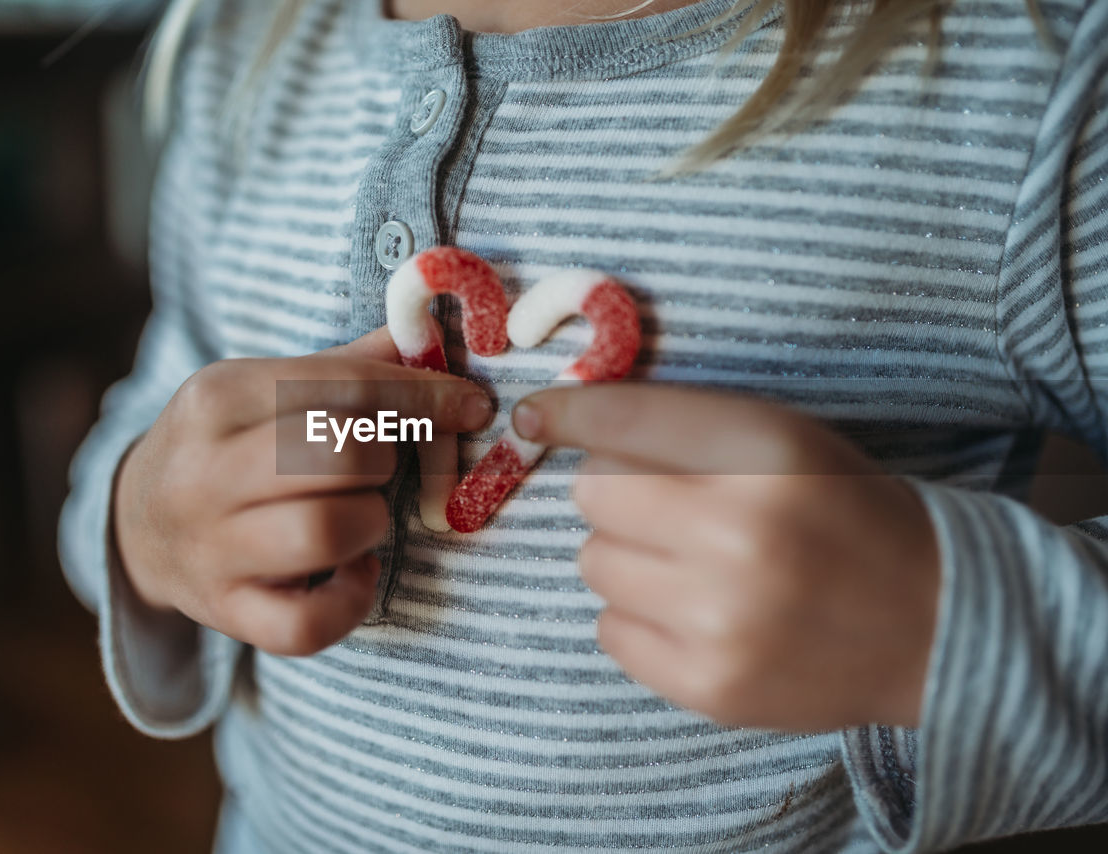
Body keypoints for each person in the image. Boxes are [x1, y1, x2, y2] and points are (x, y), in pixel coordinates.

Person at [59, 0, 1108, 851]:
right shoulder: (239, 45)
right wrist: (145, 519)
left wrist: (942, 628)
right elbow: (154, 422)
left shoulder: (1026, 72)